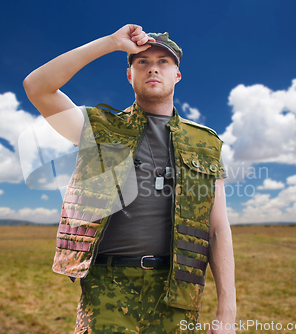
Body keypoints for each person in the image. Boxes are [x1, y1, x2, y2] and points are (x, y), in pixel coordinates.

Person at [23, 24, 236, 334]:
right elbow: (37, 87)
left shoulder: (206, 143)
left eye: (164, 62)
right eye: (142, 62)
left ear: (177, 75)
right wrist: (111, 43)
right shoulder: (98, 129)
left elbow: (217, 229)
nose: (153, 69)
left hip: (176, 294)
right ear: (129, 75)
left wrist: (227, 313)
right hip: (107, 289)